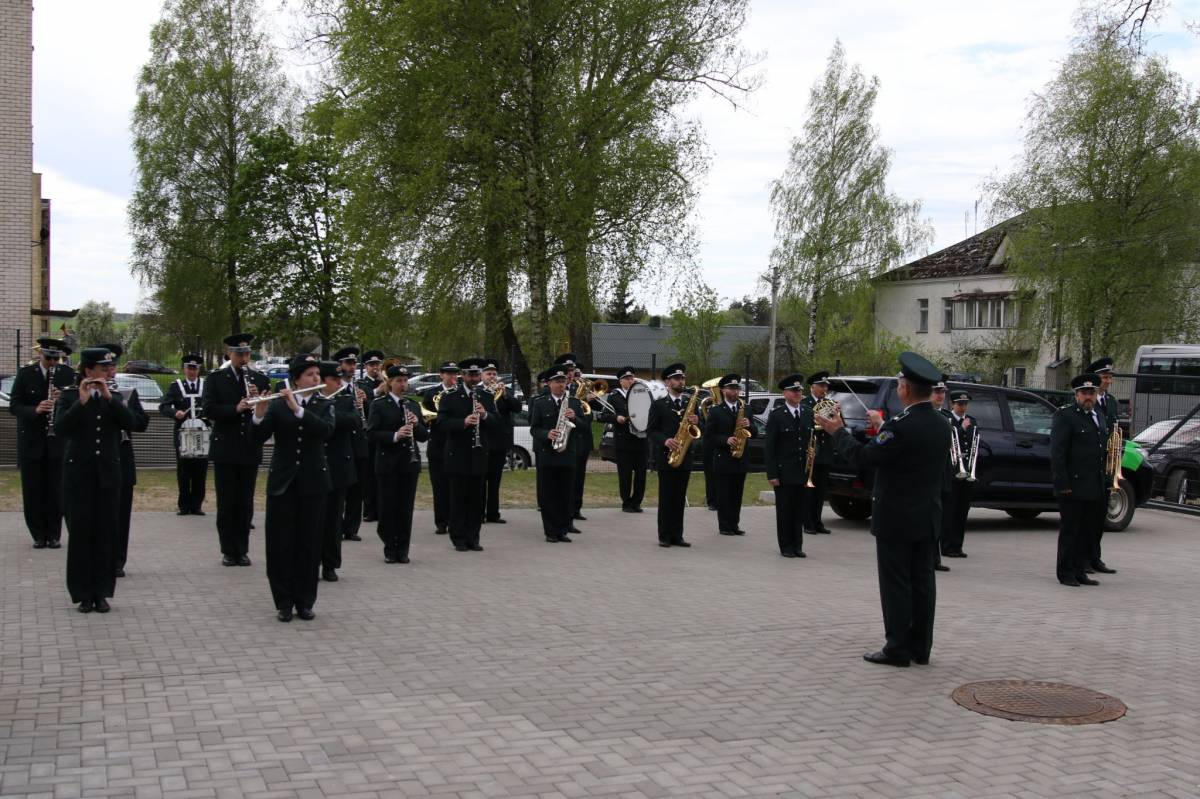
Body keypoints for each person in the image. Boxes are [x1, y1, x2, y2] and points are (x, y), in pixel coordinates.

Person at [815, 351, 948, 667]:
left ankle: (897, 648)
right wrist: (885, 425)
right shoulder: (941, 424)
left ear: (904, 388)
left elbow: (865, 457)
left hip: (896, 518)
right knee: (923, 583)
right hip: (927, 515)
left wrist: (837, 432)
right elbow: (904, 448)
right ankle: (920, 647)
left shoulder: (900, 427)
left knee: (896, 585)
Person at [251, 355, 334, 622]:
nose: (316, 379)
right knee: (280, 544)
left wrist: (298, 410)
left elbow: (325, 431)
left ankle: (305, 601)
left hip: (313, 484)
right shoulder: (277, 406)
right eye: (310, 374)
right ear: (297, 378)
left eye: (317, 374)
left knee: (308, 545)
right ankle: (283, 602)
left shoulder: (324, 404)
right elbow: (257, 439)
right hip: (283, 484)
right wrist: (259, 414)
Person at [54, 348, 137, 613]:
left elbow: (134, 423)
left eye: (109, 369)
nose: (107, 373)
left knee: (105, 534)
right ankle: (82, 593)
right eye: (102, 369)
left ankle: (102, 592)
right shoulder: (69, 395)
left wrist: (111, 399)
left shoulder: (115, 397)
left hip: (108, 476)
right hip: (80, 475)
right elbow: (61, 428)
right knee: (81, 535)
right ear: (88, 371)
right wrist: (82, 402)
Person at [201, 333, 271, 567]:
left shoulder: (259, 379)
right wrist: (236, 408)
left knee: (245, 503)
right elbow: (209, 410)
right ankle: (228, 550)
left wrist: (258, 405)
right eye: (239, 354)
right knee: (227, 503)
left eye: (247, 354)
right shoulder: (216, 379)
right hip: (226, 449)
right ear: (229, 354)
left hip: (249, 448)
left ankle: (242, 549)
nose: (243, 358)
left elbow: (266, 410)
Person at [8, 337, 74, 548]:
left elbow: (75, 405)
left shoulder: (66, 374)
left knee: (56, 490)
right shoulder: (26, 374)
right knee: (33, 489)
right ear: (40, 354)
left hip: (57, 442)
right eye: (49, 358)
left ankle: (54, 534)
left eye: (57, 358)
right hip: (32, 440)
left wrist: (61, 397)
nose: (53, 363)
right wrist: (35, 410)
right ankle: (38, 533)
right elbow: (15, 406)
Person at [1051, 373, 1109, 588]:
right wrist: (1062, 484)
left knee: (1087, 531)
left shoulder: (1098, 416)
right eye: (1084, 393)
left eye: (1091, 393)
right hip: (1073, 485)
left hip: (1094, 485)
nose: (1088, 397)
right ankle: (1065, 572)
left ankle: (1080, 570)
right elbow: (1058, 454)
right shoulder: (1065, 417)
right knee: (1070, 531)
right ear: (1076, 395)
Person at [366, 365, 429, 563]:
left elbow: (423, 436)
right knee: (387, 507)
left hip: (409, 463)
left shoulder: (413, 405)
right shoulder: (379, 404)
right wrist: (395, 435)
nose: (403, 384)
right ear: (390, 383)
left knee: (405, 508)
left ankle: (403, 549)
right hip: (387, 463)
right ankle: (389, 547)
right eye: (399, 381)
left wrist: (417, 424)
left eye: (405, 381)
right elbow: (371, 434)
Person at [98, 343, 150, 579]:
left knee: (120, 514)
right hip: (96, 462)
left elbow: (141, 422)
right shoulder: (81, 391)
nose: (110, 371)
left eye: (113, 366)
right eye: (105, 367)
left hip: (122, 459)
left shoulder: (127, 393)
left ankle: (117, 560)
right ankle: (97, 558)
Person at [436, 357, 496, 552]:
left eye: (477, 374)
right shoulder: (450, 396)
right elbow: (442, 423)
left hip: (478, 455)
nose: (474, 378)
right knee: (458, 499)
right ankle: (459, 538)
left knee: (477, 500)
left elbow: (497, 422)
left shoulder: (486, 395)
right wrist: (463, 422)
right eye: (471, 375)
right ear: (462, 376)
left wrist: (485, 415)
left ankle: (473, 537)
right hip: (457, 455)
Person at [647, 363, 703, 548]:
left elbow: (698, 429)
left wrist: (697, 420)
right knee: (667, 498)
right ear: (667, 382)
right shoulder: (659, 405)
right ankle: (664, 535)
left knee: (679, 498)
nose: (681, 381)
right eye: (677, 379)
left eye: (683, 378)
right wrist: (665, 441)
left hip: (684, 457)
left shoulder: (689, 403)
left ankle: (677, 535)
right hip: (667, 457)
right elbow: (652, 431)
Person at [529, 366, 585, 542]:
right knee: (548, 495)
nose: (561, 385)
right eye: (557, 382)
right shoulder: (540, 403)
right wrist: (547, 434)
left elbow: (584, 428)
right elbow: (534, 429)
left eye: (563, 381)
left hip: (568, 454)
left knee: (565, 494)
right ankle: (551, 531)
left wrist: (575, 418)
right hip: (547, 454)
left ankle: (563, 529)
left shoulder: (574, 403)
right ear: (549, 384)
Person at [317, 361, 358, 582]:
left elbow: (353, 420)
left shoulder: (344, 398)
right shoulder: (311, 399)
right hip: (314, 466)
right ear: (323, 380)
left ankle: (330, 564)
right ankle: (311, 562)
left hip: (338, 466)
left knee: (333, 519)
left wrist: (327, 412)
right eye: (335, 379)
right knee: (314, 520)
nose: (340, 383)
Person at [764, 374, 812, 558]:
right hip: (784, 472)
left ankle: (797, 545)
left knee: (799, 510)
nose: (798, 393)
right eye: (794, 391)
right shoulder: (777, 416)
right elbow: (770, 448)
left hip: (802, 471)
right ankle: (786, 545)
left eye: (800, 390)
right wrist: (772, 474)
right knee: (785, 510)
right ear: (785, 393)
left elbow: (809, 440)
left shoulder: (807, 412)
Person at [704, 373, 754, 536]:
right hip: (724, 459)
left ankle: (734, 524)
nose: (735, 392)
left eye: (737, 388)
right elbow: (709, 437)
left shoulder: (746, 409)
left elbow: (754, 433)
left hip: (740, 458)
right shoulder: (716, 411)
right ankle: (724, 525)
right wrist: (726, 440)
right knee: (724, 494)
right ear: (723, 390)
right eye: (731, 388)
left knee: (737, 494)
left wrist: (750, 425)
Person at [159, 354, 209, 516]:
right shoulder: (176, 386)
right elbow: (163, 406)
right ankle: (184, 505)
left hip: (202, 433)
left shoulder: (206, 385)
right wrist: (175, 413)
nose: (192, 371)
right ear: (184, 369)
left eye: (195, 368)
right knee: (184, 471)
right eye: (189, 368)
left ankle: (197, 505)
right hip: (183, 433)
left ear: (198, 370)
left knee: (200, 471)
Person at [1087, 356, 1119, 575]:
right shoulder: (1088, 401)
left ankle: (1095, 557)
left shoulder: (1112, 402)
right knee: (1087, 517)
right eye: (1104, 377)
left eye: (1109, 377)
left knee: (1100, 515)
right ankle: (1083, 558)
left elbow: (1115, 430)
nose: (1108, 381)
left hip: (1107, 466)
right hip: (1091, 464)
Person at [480, 357, 522, 524]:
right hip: (483, 440)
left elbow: (517, 408)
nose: (492, 376)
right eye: (488, 373)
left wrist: (505, 395)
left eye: (494, 373)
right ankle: (480, 513)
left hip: (499, 441)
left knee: (495, 479)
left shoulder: (504, 391)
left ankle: (493, 513)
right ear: (482, 375)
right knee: (481, 479)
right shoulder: (479, 392)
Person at [333, 347, 369, 542]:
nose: (352, 367)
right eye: (348, 363)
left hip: (360, 443)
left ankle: (352, 527)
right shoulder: (334, 389)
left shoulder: (360, 387)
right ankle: (336, 525)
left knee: (358, 489)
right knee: (341, 488)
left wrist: (365, 401)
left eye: (354, 364)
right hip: (343, 443)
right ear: (340, 365)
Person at [599, 366, 647, 513]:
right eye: (627, 378)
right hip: (624, 440)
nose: (631, 380)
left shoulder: (640, 393)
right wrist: (616, 418)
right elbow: (603, 416)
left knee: (641, 474)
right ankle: (626, 503)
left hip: (640, 440)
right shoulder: (614, 396)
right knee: (625, 474)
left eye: (632, 378)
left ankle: (637, 502)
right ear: (621, 381)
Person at [423, 362, 460, 536]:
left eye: (455, 373)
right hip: (438, 444)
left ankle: (455, 521)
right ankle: (441, 522)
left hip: (456, 445)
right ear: (441, 375)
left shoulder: (460, 393)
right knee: (439, 486)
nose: (452, 376)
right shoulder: (431, 393)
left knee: (455, 487)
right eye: (449, 373)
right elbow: (426, 416)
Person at [557, 354, 594, 526]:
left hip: (581, 439)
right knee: (566, 480)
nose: (570, 374)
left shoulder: (580, 389)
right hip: (564, 440)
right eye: (567, 371)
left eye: (572, 371)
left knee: (579, 478)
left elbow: (588, 417)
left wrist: (587, 401)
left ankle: (576, 509)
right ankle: (564, 514)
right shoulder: (556, 390)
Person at [941, 390, 977, 559]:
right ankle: (947, 546)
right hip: (952, 471)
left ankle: (958, 545)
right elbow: (947, 440)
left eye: (965, 404)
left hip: (967, 471)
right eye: (959, 404)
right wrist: (961, 429)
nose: (962, 407)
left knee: (962, 511)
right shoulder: (946, 421)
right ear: (952, 405)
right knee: (950, 510)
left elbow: (974, 444)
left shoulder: (972, 421)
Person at [802, 371, 834, 534]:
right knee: (809, 489)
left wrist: (836, 415)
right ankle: (807, 522)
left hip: (825, 452)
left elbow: (835, 427)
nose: (824, 389)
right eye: (821, 386)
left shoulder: (829, 404)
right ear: (813, 387)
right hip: (811, 452)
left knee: (821, 490)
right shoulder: (805, 404)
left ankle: (817, 521)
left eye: (826, 386)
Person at [356, 350, 386, 522]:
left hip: (384, 432)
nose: (375, 368)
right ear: (366, 367)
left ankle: (382, 508)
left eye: (377, 365)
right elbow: (362, 406)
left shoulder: (386, 381)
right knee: (368, 474)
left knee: (381, 472)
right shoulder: (361, 384)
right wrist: (376, 392)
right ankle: (369, 509)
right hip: (368, 432)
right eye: (372, 365)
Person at [931, 381, 952, 573]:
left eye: (943, 392)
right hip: (928, 478)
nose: (940, 396)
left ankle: (935, 558)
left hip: (943, 475)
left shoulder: (946, 417)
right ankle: (928, 558)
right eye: (936, 392)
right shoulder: (922, 417)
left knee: (938, 518)